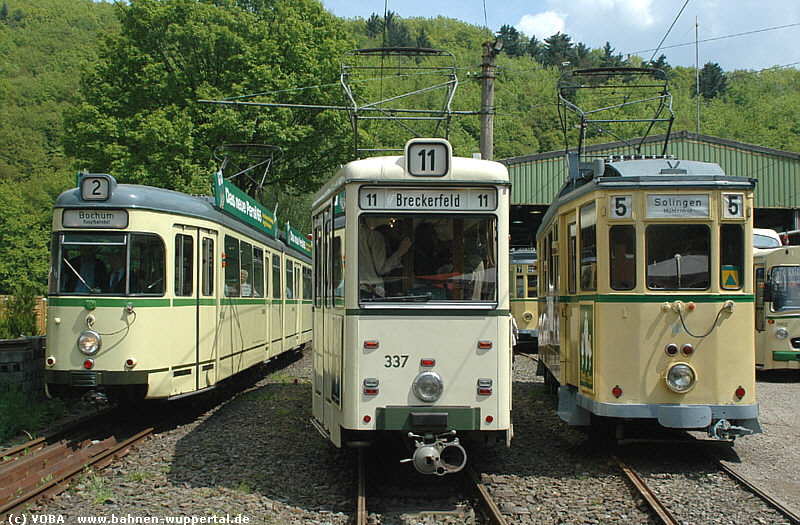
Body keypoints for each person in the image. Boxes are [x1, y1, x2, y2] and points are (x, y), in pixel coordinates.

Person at [359, 217, 411, 297]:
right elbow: (381, 269)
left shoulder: (356, 236)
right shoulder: (374, 236)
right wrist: (400, 252)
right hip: (372, 290)